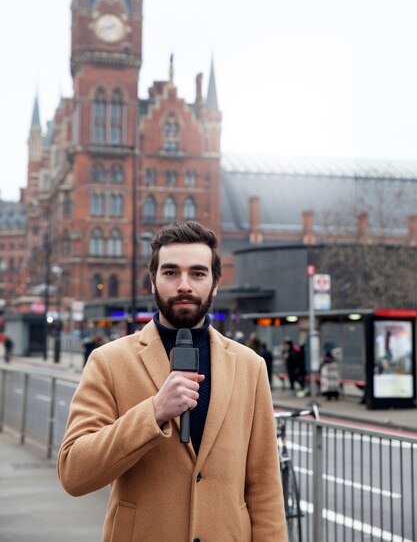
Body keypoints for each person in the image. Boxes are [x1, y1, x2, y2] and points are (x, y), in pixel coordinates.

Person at [58, 220, 287, 541]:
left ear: (215, 282)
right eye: (170, 273)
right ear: (152, 281)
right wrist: (152, 413)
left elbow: (264, 485)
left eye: (197, 273)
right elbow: (74, 474)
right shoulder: (109, 361)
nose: (184, 285)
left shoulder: (250, 365)